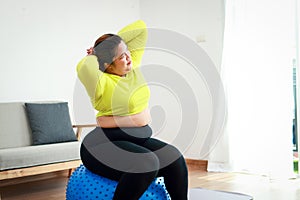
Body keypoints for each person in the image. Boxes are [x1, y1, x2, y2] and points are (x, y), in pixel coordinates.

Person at [76, 20, 188, 200]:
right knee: (146, 162)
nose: (128, 57)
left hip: (135, 138)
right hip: (100, 146)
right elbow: (83, 68)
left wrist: (112, 46)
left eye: (126, 51)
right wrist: (93, 55)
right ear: (107, 65)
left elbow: (140, 28)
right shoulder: (101, 83)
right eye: (121, 56)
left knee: (174, 158)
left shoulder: (131, 67)